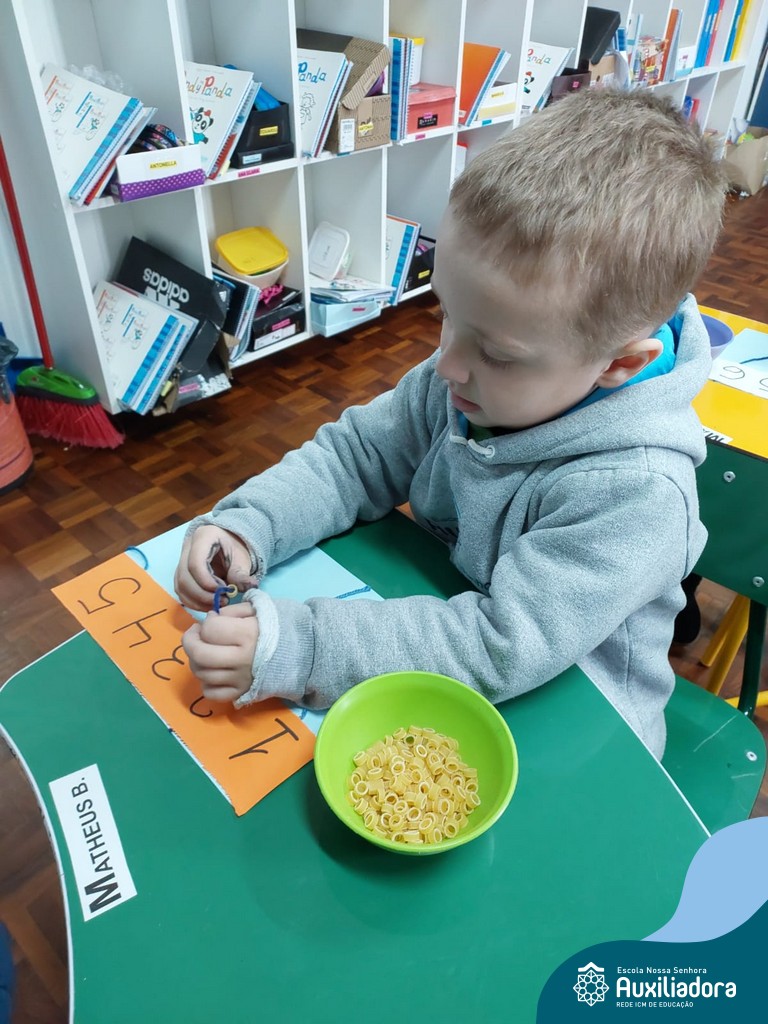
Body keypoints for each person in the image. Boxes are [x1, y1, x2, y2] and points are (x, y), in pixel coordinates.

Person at [176, 88, 727, 759]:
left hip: (580, 737)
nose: (446, 364)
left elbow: (498, 645)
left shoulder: (636, 493)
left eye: (497, 352)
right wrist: (251, 523)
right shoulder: (472, 380)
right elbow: (357, 456)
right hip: (447, 644)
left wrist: (305, 646)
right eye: (445, 314)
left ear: (619, 364)